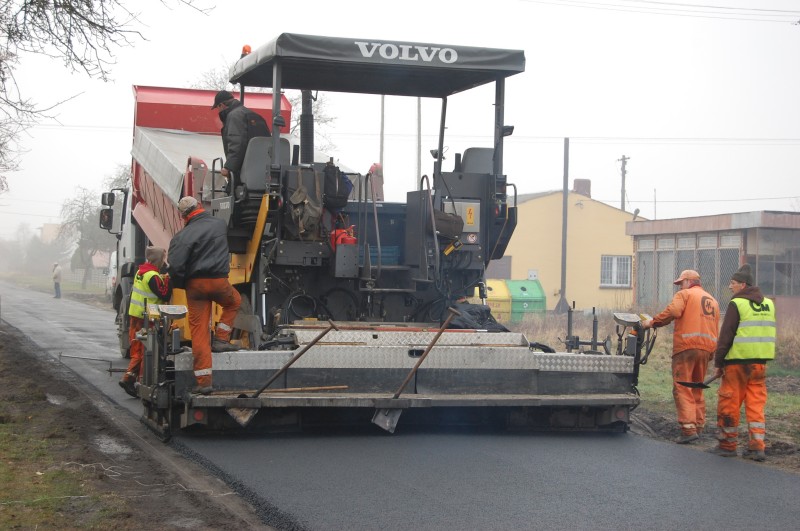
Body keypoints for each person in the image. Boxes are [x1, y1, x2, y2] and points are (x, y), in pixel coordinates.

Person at [168, 195, 241, 395]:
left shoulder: (182, 236)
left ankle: (204, 382)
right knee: (234, 302)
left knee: (199, 332)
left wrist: (183, 284)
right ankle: (222, 338)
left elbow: (175, 267)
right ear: (199, 206)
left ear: (183, 216)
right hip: (218, 281)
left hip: (195, 286)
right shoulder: (219, 224)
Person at [642, 269, 720, 443]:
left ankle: (688, 429)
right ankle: (698, 425)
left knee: (682, 387)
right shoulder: (713, 301)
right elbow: (715, 328)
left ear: (687, 282)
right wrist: (712, 353)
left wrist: (652, 322)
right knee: (697, 387)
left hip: (685, 348)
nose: (679, 288)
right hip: (706, 350)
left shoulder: (685, 295)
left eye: (680, 284)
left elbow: (674, 312)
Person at [710, 264, 776, 461]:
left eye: (733, 283)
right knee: (756, 405)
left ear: (743, 284)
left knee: (729, 402)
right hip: (759, 364)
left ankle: (728, 445)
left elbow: (726, 335)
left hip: (737, 363)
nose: (730, 287)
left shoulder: (737, 303)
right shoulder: (769, 304)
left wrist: (718, 362)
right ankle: (757, 447)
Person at [118, 247, 172, 398]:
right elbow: (164, 294)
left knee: (136, 348)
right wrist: (168, 279)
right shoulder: (153, 276)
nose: (164, 261)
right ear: (159, 259)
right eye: (163, 258)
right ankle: (140, 382)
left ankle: (129, 378)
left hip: (135, 316)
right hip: (146, 317)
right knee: (146, 350)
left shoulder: (141, 272)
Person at [212, 90, 270, 186]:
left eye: (217, 108)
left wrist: (228, 167)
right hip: (263, 174)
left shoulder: (234, 116)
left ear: (221, 105)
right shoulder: (256, 116)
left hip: (244, 177)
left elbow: (237, 143)